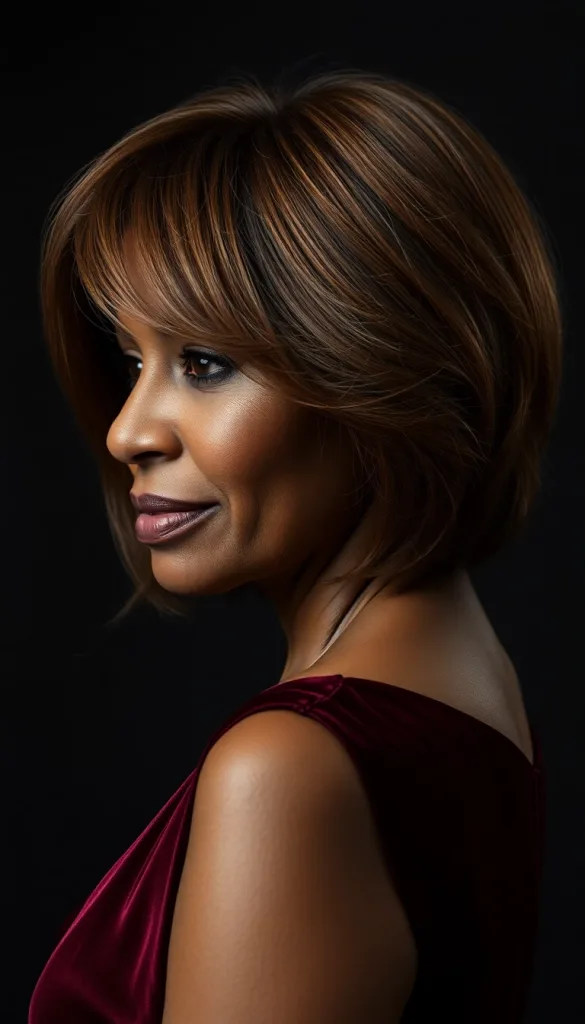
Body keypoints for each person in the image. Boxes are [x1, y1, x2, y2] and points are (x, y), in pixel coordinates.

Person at [29, 68, 561, 1022]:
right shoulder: (466, 687)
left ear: (378, 373)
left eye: (203, 363)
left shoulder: (289, 769)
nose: (125, 431)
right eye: (131, 359)